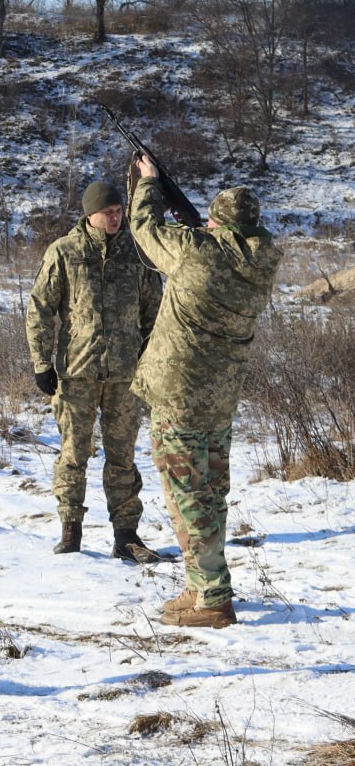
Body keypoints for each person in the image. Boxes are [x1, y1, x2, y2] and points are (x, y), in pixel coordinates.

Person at [130, 156, 281, 628]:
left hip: (179, 392)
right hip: (220, 395)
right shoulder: (259, 261)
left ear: (217, 225)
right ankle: (201, 583)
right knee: (211, 490)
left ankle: (213, 598)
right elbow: (217, 247)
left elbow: (144, 229)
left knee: (187, 493)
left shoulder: (198, 250)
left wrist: (148, 184)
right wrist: (202, 226)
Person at [26, 181, 163, 561]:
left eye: (120, 211)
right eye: (109, 212)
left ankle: (126, 536)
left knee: (122, 457)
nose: (116, 217)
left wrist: (149, 362)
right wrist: (42, 363)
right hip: (77, 373)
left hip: (125, 376)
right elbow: (39, 309)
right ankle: (71, 531)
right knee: (74, 454)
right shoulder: (65, 252)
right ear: (90, 214)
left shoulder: (137, 254)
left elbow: (155, 313)